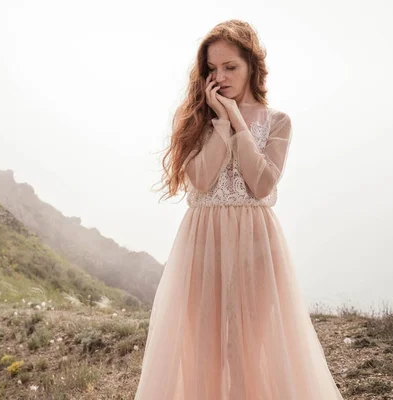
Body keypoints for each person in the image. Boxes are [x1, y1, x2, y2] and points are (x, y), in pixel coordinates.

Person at [135, 19, 345, 399]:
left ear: (252, 65)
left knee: (252, 344)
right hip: (201, 241)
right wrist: (220, 126)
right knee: (202, 347)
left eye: (230, 66)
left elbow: (261, 183)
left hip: (256, 240)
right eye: (212, 69)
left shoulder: (278, 121)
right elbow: (200, 179)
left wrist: (237, 120)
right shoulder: (196, 120)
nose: (221, 76)